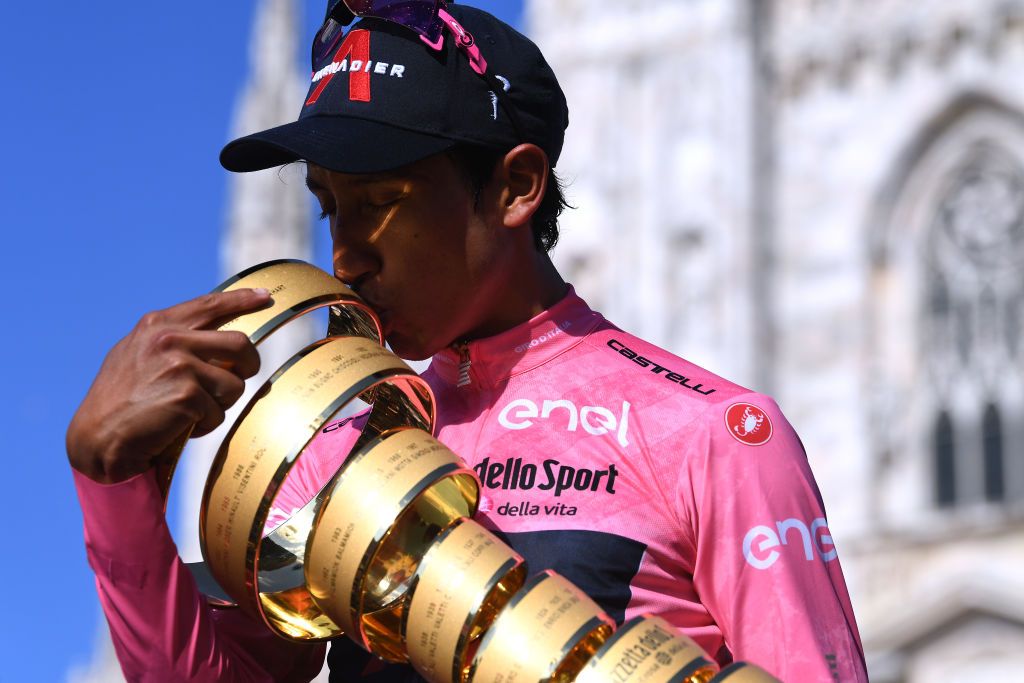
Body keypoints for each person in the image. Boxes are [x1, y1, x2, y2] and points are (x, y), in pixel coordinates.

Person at [67, 2, 868, 681]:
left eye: (383, 199)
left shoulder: (716, 437)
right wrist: (115, 484)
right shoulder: (335, 450)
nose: (345, 255)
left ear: (516, 187)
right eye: (330, 205)